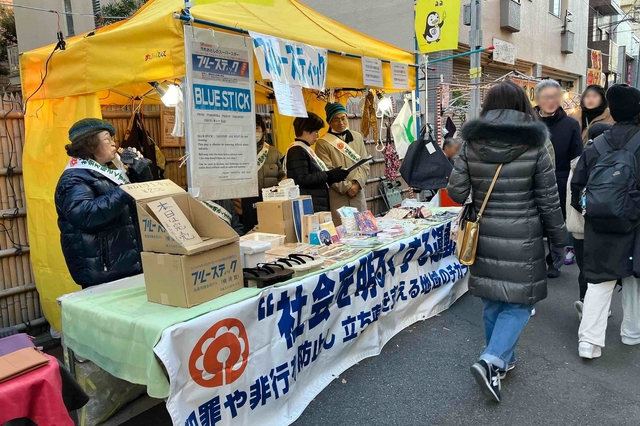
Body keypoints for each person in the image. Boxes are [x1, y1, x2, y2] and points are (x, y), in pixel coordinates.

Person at [447, 81, 567, 403]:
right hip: (523, 235)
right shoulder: (536, 144)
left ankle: (504, 360)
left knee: (492, 300)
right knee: (519, 303)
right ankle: (492, 360)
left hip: (484, 233)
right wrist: (559, 240)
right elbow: (548, 200)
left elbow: (456, 192)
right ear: (523, 106)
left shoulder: (471, 143)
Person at [571, 84, 640, 359]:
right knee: (635, 279)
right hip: (635, 226)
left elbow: (577, 188)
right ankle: (632, 333)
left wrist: (594, 213)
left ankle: (589, 342)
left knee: (599, 283)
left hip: (599, 226)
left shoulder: (596, 144)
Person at [55, 118, 153, 289]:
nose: (114, 144)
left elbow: (137, 202)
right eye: (108, 139)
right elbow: (84, 215)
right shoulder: (73, 178)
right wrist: (124, 189)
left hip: (124, 263)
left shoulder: (109, 171)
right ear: (90, 144)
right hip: (102, 269)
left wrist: (140, 173)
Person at [535, 79, 582, 277]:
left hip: (561, 179)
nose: (551, 101)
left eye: (555, 96)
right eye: (546, 97)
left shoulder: (571, 124)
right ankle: (534, 262)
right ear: (537, 99)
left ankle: (555, 261)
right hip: (533, 180)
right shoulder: (528, 123)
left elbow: (576, 156)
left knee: (557, 223)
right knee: (534, 224)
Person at [566, 122, 612, 321]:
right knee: (601, 268)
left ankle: (584, 299)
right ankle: (597, 308)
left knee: (584, 267)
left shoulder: (577, 162)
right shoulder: (609, 160)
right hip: (600, 225)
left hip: (578, 225)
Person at [315, 103, 370, 224]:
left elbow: (364, 164)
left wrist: (357, 184)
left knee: (363, 229)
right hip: (337, 196)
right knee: (342, 231)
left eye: (343, 118)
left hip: (357, 193)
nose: (341, 122)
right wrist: (346, 187)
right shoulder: (322, 143)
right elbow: (326, 170)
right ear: (329, 122)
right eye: (336, 119)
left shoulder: (357, 137)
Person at [285, 112, 350, 213]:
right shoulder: (297, 150)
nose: (318, 135)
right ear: (306, 130)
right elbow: (301, 179)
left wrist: (332, 176)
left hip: (316, 202)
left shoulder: (304, 149)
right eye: (316, 131)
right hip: (309, 206)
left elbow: (314, 177)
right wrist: (328, 175)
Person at [236, 114, 285, 232]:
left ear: (263, 131)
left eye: (257, 128)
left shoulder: (275, 153)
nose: (254, 132)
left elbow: (284, 178)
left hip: (271, 204)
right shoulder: (236, 153)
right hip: (245, 207)